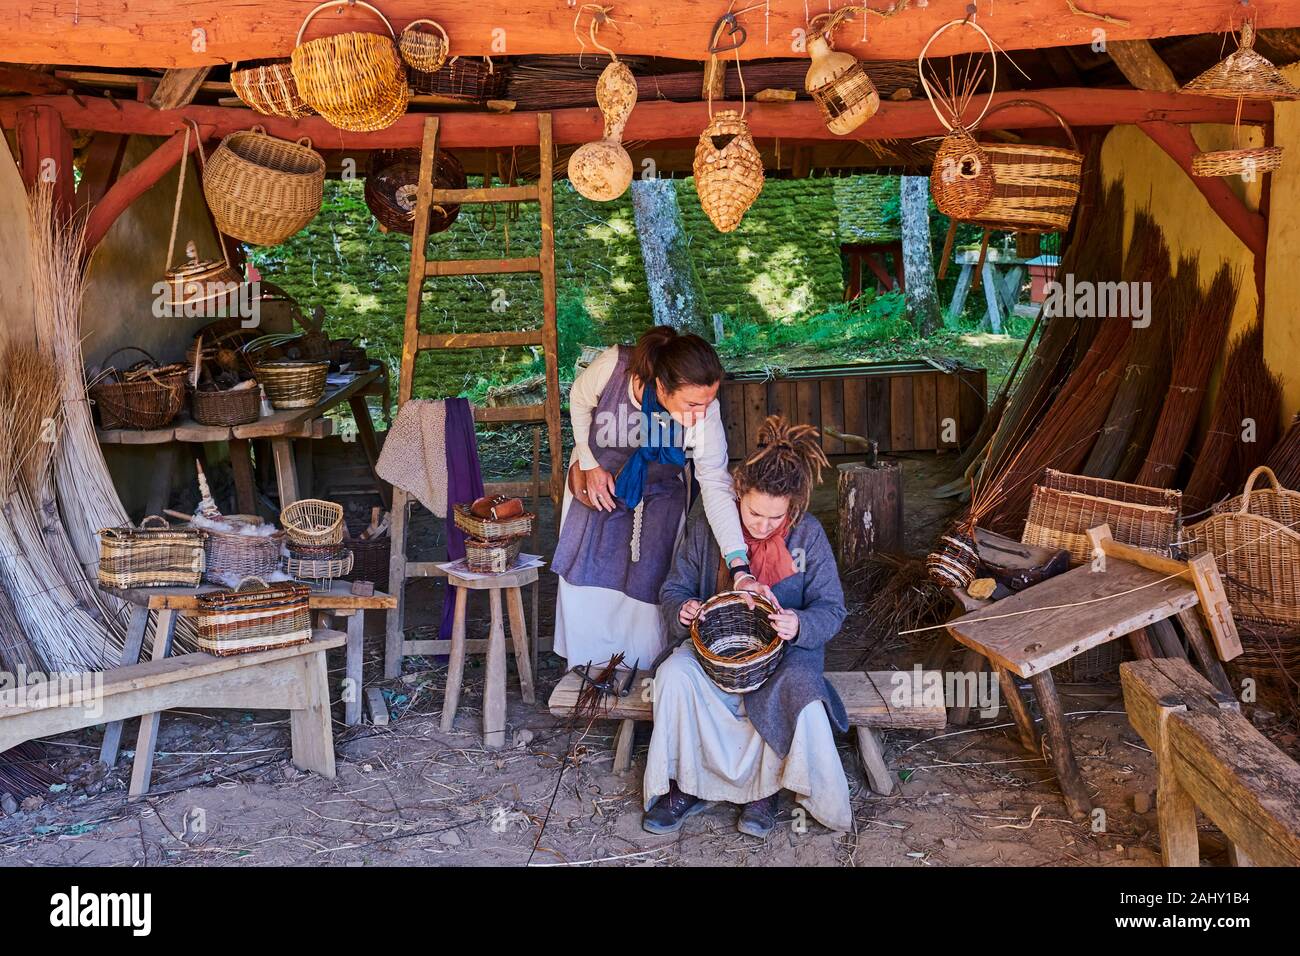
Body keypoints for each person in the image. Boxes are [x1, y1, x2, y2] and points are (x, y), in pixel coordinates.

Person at [642, 416, 852, 837]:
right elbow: (674, 587)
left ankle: (764, 793)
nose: (762, 525)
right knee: (673, 676)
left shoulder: (807, 535)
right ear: (737, 493)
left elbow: (832, 609)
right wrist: (683, 608)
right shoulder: (709, 524)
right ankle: (688, 786)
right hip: (716, 654)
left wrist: (798, 623)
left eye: (776, 518)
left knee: (792, 690)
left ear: (791, 508)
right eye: (755, 512)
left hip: (784, 656)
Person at [552, 326, 771, 669]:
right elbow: (578, 398)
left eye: (708, 402)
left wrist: (739, 564)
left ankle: (640, 678)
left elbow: (714, 482)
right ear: (662, 387)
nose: (701, 413)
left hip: (659, 496)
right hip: (600, 486)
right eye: (693, 403)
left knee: (649, 585)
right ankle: (588, 671)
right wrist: (589, 462)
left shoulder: (703, 409)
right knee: (590, 581)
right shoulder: (615, 366)